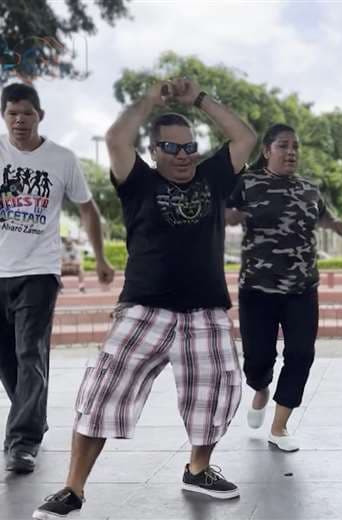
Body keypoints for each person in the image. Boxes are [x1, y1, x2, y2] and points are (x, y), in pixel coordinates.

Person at [33, 78, 257, 519]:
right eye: (171, 148)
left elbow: (245, 137)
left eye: (189, 146)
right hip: (144, 308)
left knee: (216, 392)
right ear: (154, 152)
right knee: (101, 391)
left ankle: (198, 468)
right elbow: (118, 137)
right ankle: (72, 490)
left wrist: (199, 99)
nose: (183, 155)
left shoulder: (212, 176)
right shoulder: (138, 181)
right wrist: (151, 99)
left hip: (205, 309)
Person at [0, 83, 114, 475]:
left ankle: (23, 441)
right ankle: (31, 415)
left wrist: (99, 258)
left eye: (27, 113)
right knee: (7, 359)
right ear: (4, 116)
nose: (19, 120)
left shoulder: (61, 159)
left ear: (40, 116)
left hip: (39, 272)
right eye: (12, 113)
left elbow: (88, 210)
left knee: (31, 354)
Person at [226, 123, 342, 452]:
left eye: (295, 146)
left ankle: (279, 427)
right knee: (257, 358)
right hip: (257, 288)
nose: (291, 152)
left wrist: (339, 226)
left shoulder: (310, 189)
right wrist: (228, 216)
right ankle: (261, 387)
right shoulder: (247, 183)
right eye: (283, 146)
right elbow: (224, 215)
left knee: (301, 355)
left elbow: (326, 219)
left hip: (302, 288)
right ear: (267, 151)